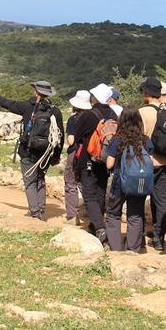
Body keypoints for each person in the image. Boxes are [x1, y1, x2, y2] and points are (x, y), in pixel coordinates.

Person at [0, 80, 63, 220]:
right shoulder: (55, 111)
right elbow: (60, 135)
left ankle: (35, 212)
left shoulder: (27, 106)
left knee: (30, 181)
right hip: (45, 153)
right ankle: (41, 207)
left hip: (28, 150)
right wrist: (56, 156)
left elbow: (7, 104)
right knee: (40, 178)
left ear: (36, 91)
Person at [72, 84, 117, 244]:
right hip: (106, 161)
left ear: (95, 98)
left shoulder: (88, 115)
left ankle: (100, 228)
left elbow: (76, 137)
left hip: (88, 160)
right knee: (100, 192)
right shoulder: (113, 114)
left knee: (89, 195)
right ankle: (95, 225)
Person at [104, 107, 154, 252]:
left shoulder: (118, 139)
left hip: (119, 183)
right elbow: (150, 162)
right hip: (139, 184)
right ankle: (133, 250)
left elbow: (110, 163)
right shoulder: (145, 140)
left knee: (113, 214)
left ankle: (116, 248)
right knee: (136, 216)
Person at [138, 77, 166, 251]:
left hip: (146, 162)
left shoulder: (143, 113)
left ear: (146, 94)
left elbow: (138, 138)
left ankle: (139, 237)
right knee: (162, 201)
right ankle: (159, 238)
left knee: (139, 198)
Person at [63, 90, 91, 225]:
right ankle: (93, 215)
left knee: (70, 182)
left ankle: (72, 216)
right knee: (88, 183)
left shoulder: (73, 119)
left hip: (76, 153)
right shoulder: (93, 118)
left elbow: (71, 140)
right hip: (90, 153)